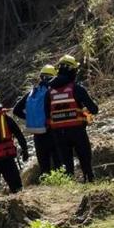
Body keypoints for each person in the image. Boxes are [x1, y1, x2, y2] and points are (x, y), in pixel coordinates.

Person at [47, 54, 99, 182]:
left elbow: (47, 114)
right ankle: (89, 179)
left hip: (58, 134)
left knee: (66, 164)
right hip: (77, 131)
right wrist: (84, 112)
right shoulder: (77, 89)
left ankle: (70, 185)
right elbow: (94, 109)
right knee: (85, 157)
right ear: (72, 71)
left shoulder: (49, 92)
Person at [13, 64, 62, 176]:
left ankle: (47, 183)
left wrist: (30, 117)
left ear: (41, 77)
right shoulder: (53, 92)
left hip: (37, 132)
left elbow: (16, 110)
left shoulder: (32, 93)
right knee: (58, 161)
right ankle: (61, 182)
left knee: (44, 163)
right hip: (52, 130)